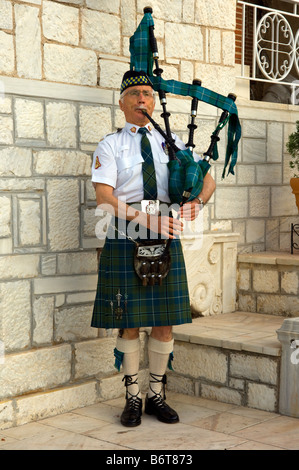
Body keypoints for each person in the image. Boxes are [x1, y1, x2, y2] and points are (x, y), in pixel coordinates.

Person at [91, 70, 216, 427]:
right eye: (134, 94)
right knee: (128, 324)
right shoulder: (110, 145)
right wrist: (149, 221)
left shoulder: (171, 140)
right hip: (126, 233)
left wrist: (198, 203)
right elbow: (103, 199)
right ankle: (132, 398)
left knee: (164, 325)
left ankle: (156, 396)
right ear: (122, 103)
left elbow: (207, 179)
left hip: (165, 234)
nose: (142, 99)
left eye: (147, 93)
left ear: (153, 100)